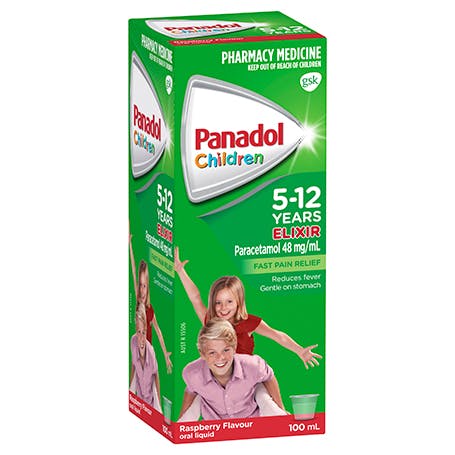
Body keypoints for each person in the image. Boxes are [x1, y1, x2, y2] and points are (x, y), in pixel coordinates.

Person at [174, 247, 322, 369]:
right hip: (219, 376)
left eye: (229, 302)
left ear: (238, 302)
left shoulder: (248, 322)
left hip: (245, 377)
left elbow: (277, 335)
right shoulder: (211, 322)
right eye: (218, 302)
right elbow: (195, 298)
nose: (223, 308)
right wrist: (181, 272)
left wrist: (299, 350)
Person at [179, 319, 286, 421]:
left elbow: (269, 376)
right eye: (212, 352)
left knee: (262, 393)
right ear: (202, 353)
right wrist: (181, 420)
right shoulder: (192, 373)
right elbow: (190, 391)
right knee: (197, 401)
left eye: (226, 350)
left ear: (234, 348)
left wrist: (281, 409)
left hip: (251, 419)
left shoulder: (252, 366)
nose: (220, 357)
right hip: (215, 424)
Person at [129, 226, 172, 373]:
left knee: (150, 375)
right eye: (140, 285)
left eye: (144, 286)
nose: (141, 290)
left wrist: (165, 354)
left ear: (148, 288)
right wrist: (129, 245)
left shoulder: (150, 309)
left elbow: (158, 332)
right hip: (138, 347)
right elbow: (133, 270)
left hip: (148, 349)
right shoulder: (137, 302)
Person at [130, 306, 162, 411]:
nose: (141, 338)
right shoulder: (133, 342)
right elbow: (133, 363)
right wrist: (130, 391)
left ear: (146, 331)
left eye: (143, 332)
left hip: (150, 402)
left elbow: (156, 375)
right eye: (138, 332)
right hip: (139, 399)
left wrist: (159, 406)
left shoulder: (151, 353)